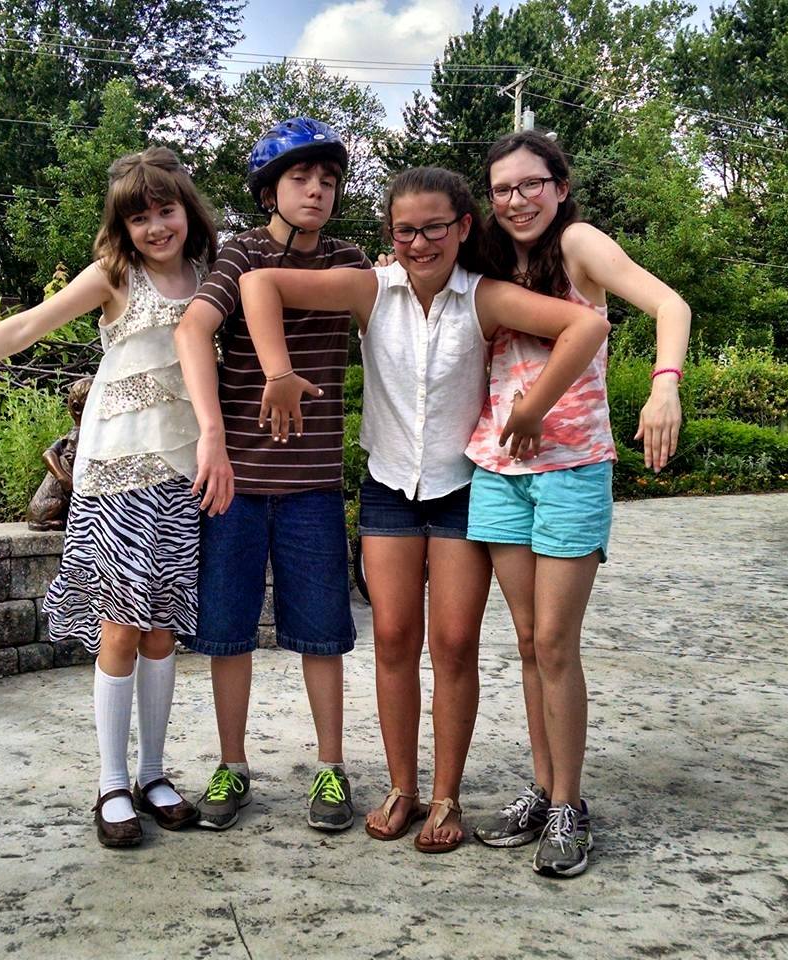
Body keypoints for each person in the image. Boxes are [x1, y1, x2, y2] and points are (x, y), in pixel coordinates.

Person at [239, 165, 610, 853]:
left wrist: (534, 406)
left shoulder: (483, 297)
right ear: (390, 233)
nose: (419, 243)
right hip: (388, 491)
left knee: (455, 646)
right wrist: (277, 371)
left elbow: (584, 326)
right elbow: (259, 284)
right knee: (393, 640)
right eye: (404, 230)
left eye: (434, 228)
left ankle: (446, 797)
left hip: (461, 489)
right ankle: (403, 787)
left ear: (463, 227)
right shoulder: (369, 289)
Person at [0, 147, 231, 848]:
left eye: (166, 210)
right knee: (121, 628)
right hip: (115, 474)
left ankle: (153, 775)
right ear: (122, 226)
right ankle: (111, 782)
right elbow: (25, 326)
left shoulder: (211, 274)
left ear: (187, 209)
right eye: (139, 217)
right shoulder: (115, 275)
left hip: (182, 474)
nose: (156, 227)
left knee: (163, 630)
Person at [469, 130, 691, 877]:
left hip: (571, 471)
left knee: (558, 644)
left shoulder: (579, 244)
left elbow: (670, 305)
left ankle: (570, 804)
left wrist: (665, 385)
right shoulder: (490, 258)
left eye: (531, 184)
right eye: (503, 189)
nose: (517, 199)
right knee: (529, 642)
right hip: (498, 470)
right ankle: (541, 789)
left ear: (560, 187)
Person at [174, 118, 371, 832]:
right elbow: (192, 328)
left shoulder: (350, 261)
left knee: (323, 634)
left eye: (328, 180)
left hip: (312, 482)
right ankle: (232, 764)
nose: (316, 190)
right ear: (269, 192)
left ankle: (331, 767)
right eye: (299, 178)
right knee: (226, 633)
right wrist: (213, 437)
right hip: (234, 481)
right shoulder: (240, 252)